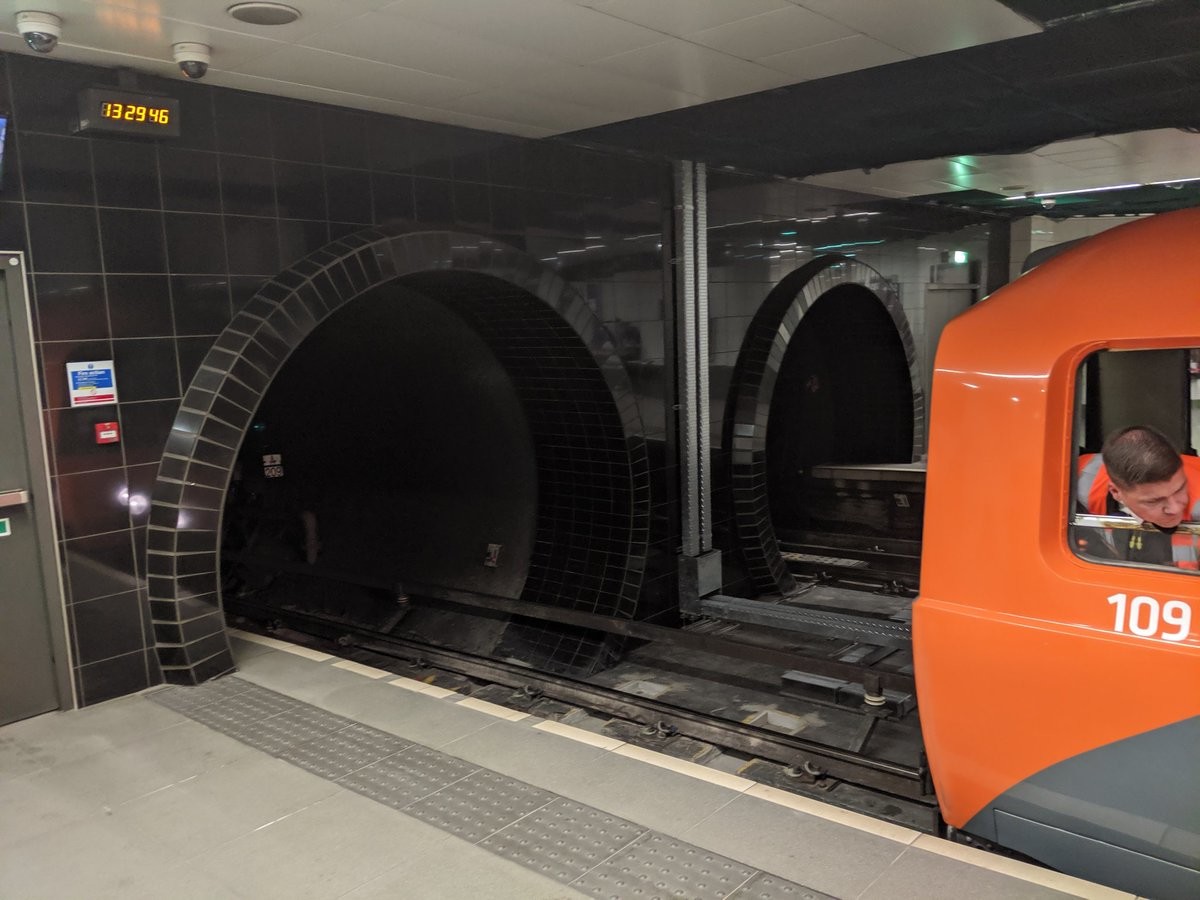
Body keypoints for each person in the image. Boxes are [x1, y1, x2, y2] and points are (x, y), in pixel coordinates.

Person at [1076, 425, 1200, 569]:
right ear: (1116, 492)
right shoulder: (1077, 480)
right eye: (1154, 501)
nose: (1175, 507)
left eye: (1180, 489)